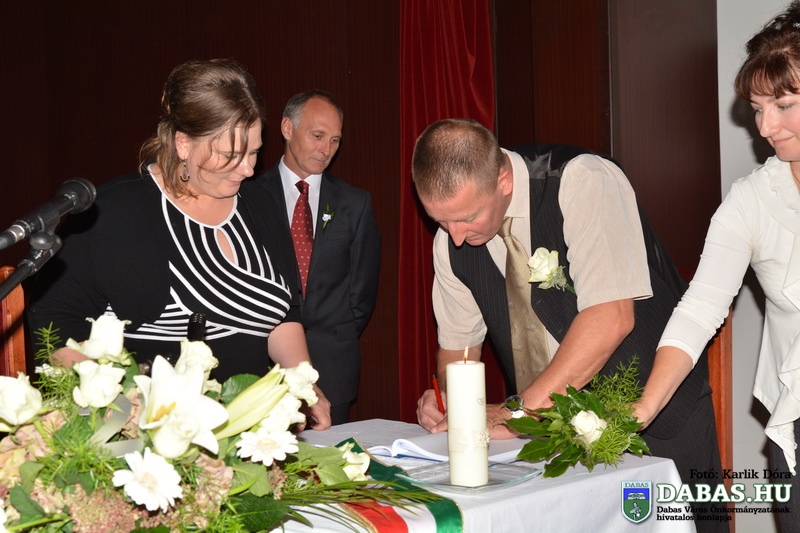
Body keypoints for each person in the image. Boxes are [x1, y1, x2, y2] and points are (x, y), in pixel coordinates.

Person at [412, 118, 725, 531]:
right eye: (440, 220)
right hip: (548, 438)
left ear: (503, 180)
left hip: (653, 416)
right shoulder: (451, 243)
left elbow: (610, 318)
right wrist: (453, 404)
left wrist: (515, 412)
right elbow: (459, 348)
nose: (454, 236)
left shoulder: (582, 181)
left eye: (467, 217)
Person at [27, 59, 331, 429]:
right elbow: (53, 323)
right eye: (229, 155)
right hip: (146, 434)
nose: (248, 169)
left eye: (253, 152)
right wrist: (119, 410)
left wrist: (304, 384)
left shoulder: (262, 205)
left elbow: (283, 314)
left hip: (252, 432)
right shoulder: (114, 211)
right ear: (183, 143)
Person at [636, 2, 800, 529]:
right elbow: (699, 309)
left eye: (783, 104)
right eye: (757, 108)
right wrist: (643, 407)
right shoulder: (751, 202)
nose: (766, 126)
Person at [257, 90, 381, 425]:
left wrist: (334, 336)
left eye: (335, 140)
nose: (326, 149)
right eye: (317, 136)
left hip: (332, 369)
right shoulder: (249, 196)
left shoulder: (354, 203)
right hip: (263, 368)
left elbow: (362, 293)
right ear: (287, 128)